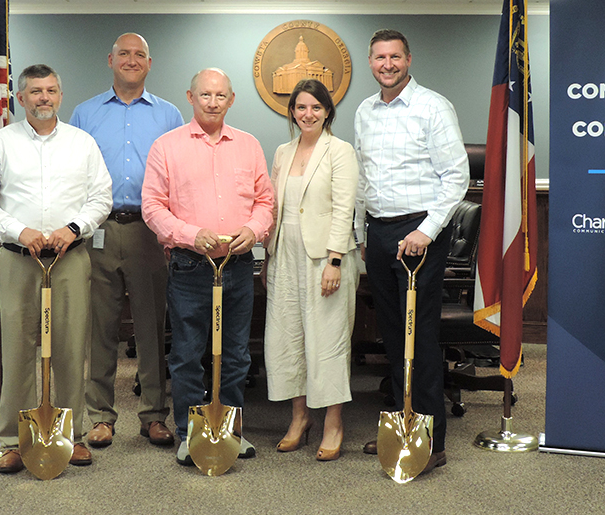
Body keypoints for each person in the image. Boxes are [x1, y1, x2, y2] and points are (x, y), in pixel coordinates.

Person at [0, 64, 113, 474]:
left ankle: (72, 435)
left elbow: (101, 197)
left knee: (69, 347)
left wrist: (74, 228)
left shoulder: (82, 143)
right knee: (17, 350)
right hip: (18, 259)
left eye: (50, 90)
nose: (43, 97)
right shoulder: (0, 143)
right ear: (20, 98)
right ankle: (14, 438)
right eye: (35, 91)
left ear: (61, 95)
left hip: (69, 258)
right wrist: (19, 229)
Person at [141, 68, 274, 466]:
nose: (212, 102)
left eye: (220, 96)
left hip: (237, 266)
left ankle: (230, 430)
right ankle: (188, 433)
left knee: (235, 355)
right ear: (190, 96)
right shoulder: (167, 146)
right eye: (205, 95)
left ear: (231, 100)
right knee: (187, 354)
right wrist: (187, 233)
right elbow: (152, 206)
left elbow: (265, 201)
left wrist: (254, 230)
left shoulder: (248, 145)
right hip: (189, 267)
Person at [354, 30, 469, 474]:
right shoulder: (365, 110)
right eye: (380, 57)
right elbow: (365, 178)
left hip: (419, 232)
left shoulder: (433, 106)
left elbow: (455, 177)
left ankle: (431, 441)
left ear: (408, 59)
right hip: (380, 233)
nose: (388, 64)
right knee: (390, 335)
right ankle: (402, 425)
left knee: (417, 339)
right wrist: (363, 233)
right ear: (370, 62)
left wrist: (426, 230)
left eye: (395, 56)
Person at [70, 33, 183, 448]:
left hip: (150, 232)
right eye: (123, 54)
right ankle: (100, 416)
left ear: (149, 64)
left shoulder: (170, 115)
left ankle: (154, 414)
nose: (131, 60)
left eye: (139, 55)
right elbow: (72, 175)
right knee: (100, 327)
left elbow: (180, 178)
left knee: (153, 326)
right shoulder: (84, 113)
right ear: (110, 59)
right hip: (97, 230)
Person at [262, 79, 360, 462]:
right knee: (287, 338)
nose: (308, 114)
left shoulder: (340, 151)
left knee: (327, 341)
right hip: (284, 254)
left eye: (316, 107)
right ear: (292, 111)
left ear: (328, 111)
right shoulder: (283, 152)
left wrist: (335, 260)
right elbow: (272, 206)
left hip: (324, 257)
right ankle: (299, 418)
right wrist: (266, 251)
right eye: (301, 107)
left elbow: (343, 207)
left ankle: (333, 423)